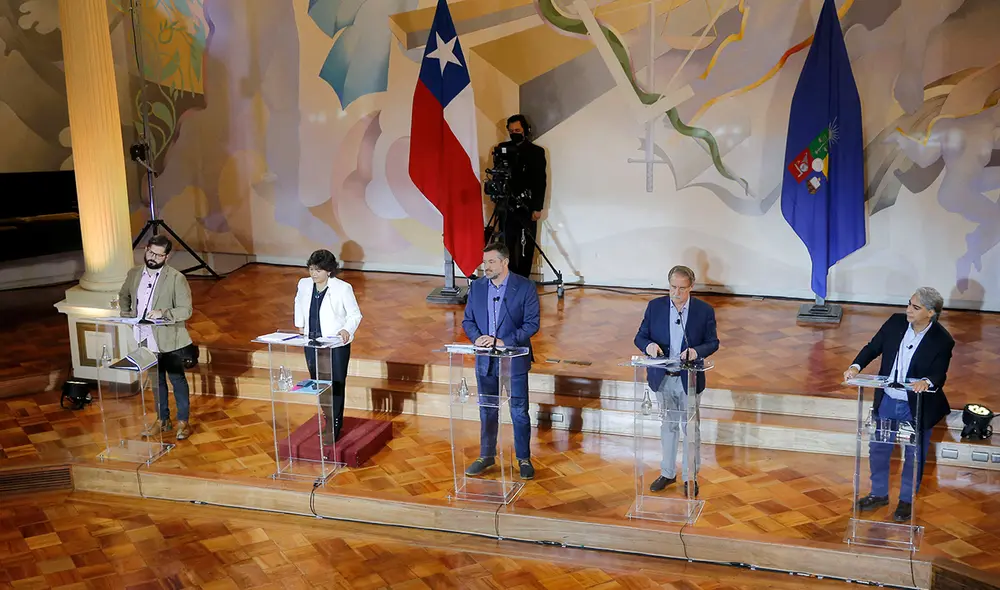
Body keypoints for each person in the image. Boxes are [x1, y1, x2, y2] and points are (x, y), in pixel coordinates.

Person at [843, 287, 953, 522]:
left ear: (930, 313)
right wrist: (855, 367)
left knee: (914, 455)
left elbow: (939, 373)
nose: (908, 310)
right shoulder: (895, 323)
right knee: (878, 449)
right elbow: (873, 347)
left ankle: (906, 501)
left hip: (916, 406)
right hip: (887, 400)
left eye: (915, 307)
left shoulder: (942, 340)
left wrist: (926, 381)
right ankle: (878, 494)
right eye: (909, 304)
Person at [634, 265, 719, 496]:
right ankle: (667, 472)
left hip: (688, 379)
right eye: (672, 287)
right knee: (668, 426)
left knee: (690, 429)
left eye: (682, 288)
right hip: (662, 378)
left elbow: (713, 342)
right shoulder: (655, 307)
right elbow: (640, 337)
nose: (676, 293)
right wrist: (648, 346)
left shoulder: (703, 310)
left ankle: (690, 477)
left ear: (691, 287)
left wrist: (696, 352)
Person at [462, 242, 541, 479]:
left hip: (513, 360)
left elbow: (531, 324)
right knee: (487, 410)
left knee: (519, 411)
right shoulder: (477, 287)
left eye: (491, 262)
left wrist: (504, 341)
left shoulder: (525, 287)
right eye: (484, 262)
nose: (485, 267)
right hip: (485, 360)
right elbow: (468, 321)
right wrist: (477, 338)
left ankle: (523, 458)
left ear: (504, 262)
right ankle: (486, 456)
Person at [120, 235, 195, 441]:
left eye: (159, 255)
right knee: (156, 381)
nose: (153, 258)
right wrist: (127, 315)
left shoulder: (176, 278)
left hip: (169, 339)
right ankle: (162, 420)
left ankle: (183, 422)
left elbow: (186, 310)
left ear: (167, 256)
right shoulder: (134, 273)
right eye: (151, 252)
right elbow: (124, 295)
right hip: (144, 338)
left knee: (176, 380)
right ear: (146, 249)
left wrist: (163, 313)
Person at [294, 249, 362, 444]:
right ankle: (328, 419)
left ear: (329, 271)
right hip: (312, 342)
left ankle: (335, 425)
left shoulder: (343, 288)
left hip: (335, 345)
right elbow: (298, 303)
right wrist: (300, 326)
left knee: (335, 384)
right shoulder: (304, 284)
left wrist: (346, 329)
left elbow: (355, 314)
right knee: (319, 384)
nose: (313, 274)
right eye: (311, 269)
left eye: (318, 270)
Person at [496, 114, 546, 278]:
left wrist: (537, 207)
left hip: (527, 205)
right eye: (511, 131)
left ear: (525, 130)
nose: (514, 133)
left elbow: (540, 182)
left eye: (517, 130)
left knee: (526, 245)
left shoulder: (536, 152)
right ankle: (508, 277)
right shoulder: (502, 149)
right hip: (506, 205)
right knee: (507, 243)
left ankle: (523, 279)